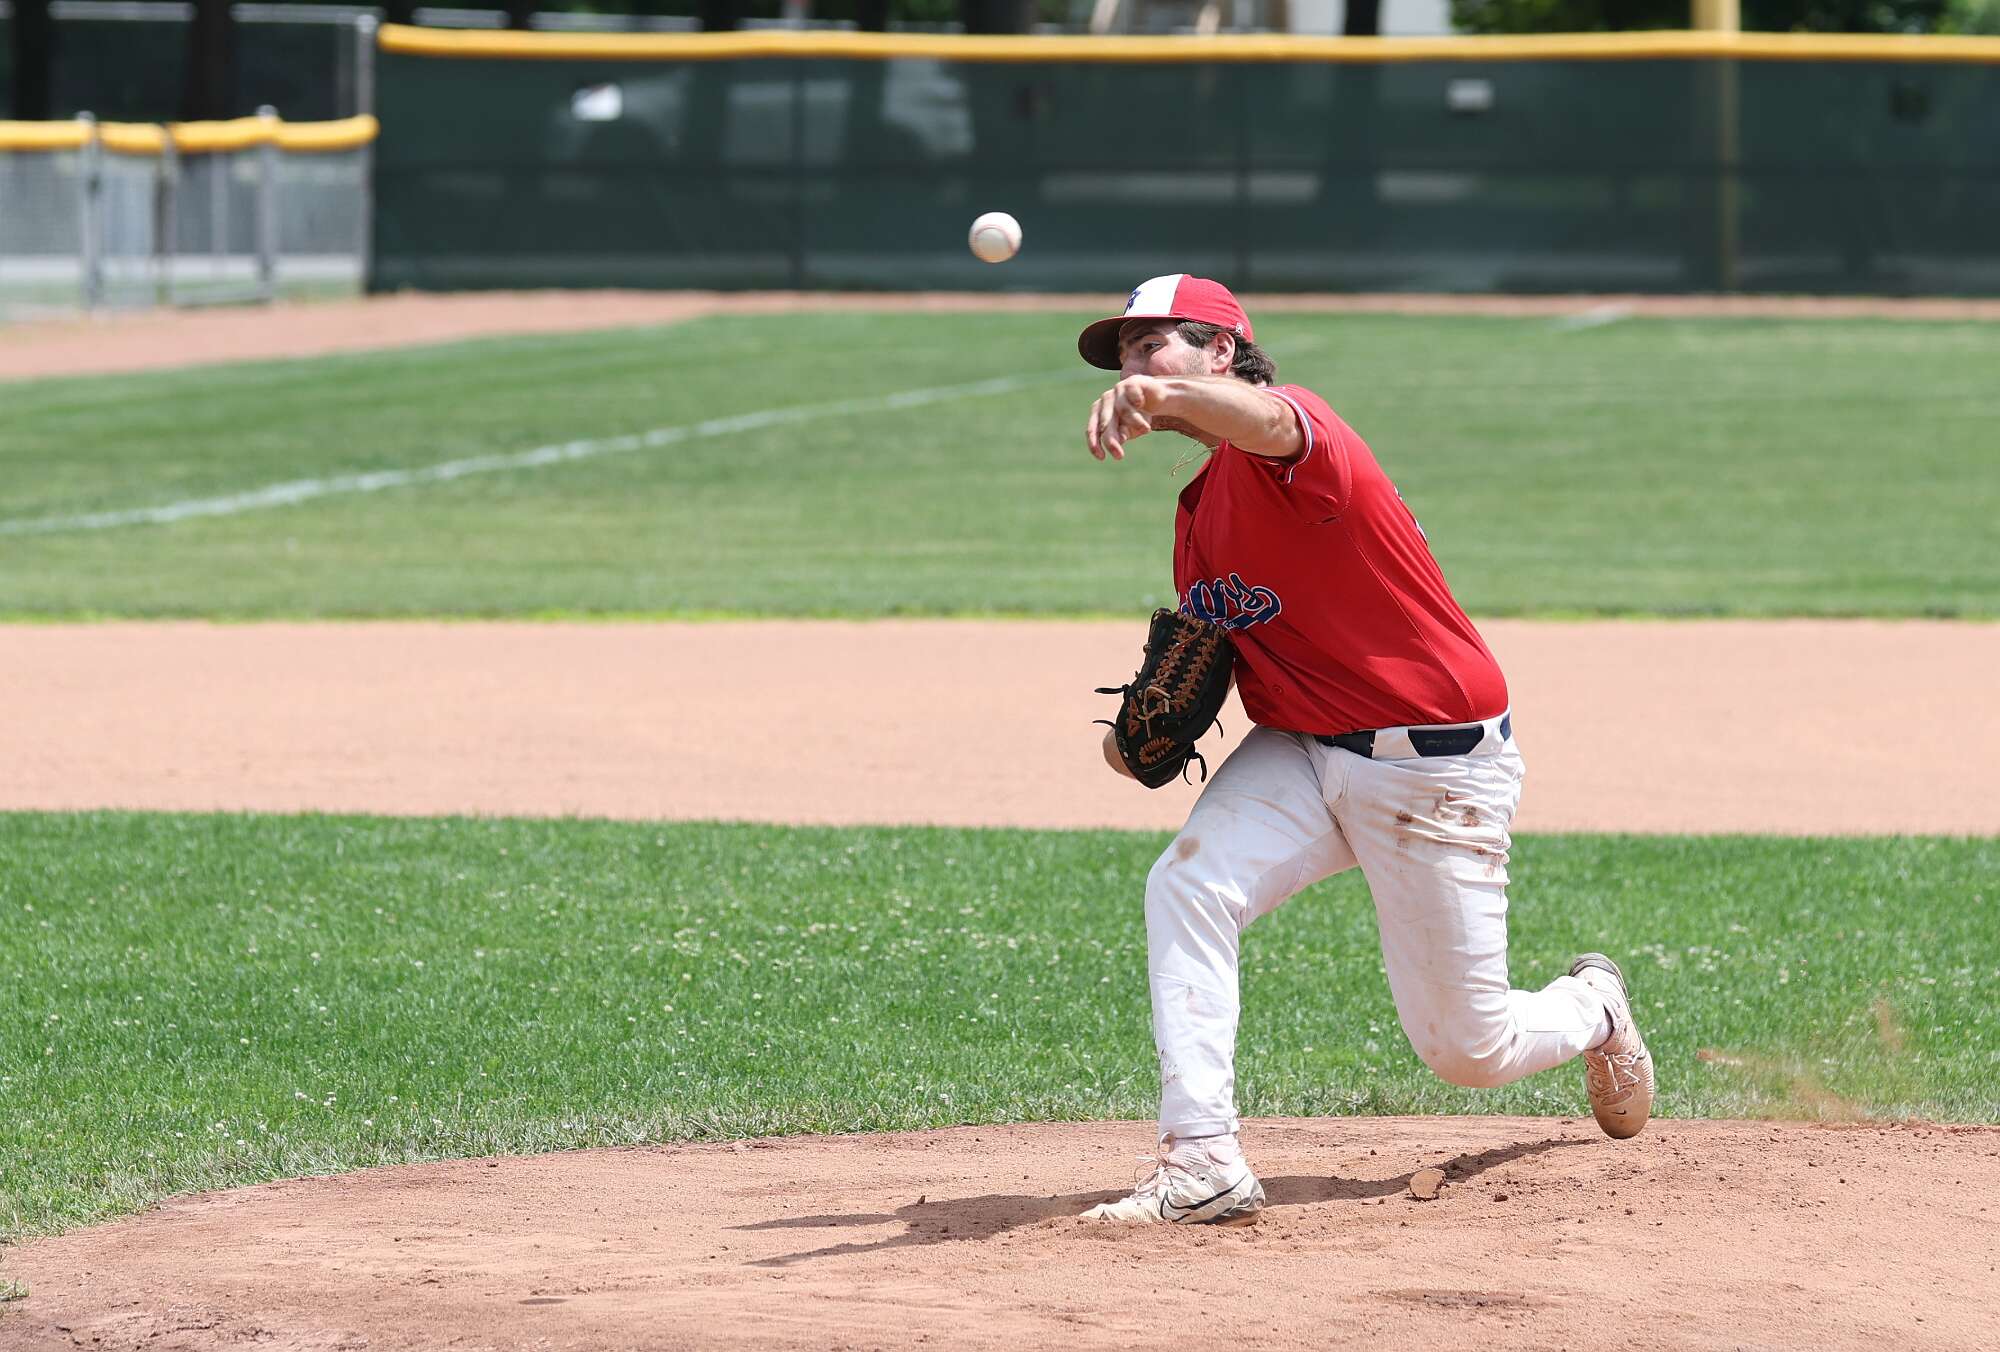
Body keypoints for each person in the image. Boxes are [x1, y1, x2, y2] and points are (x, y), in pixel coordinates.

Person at [1074, 275, 1655, 1226]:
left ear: (1222, 350)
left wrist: (1161, 393)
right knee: (1187, 884)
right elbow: (1205, 671)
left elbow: (1268, 420)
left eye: (1154, 345)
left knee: (1467, 1050)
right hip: (1302, 748)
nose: (1135, 367)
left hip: (1433, 764)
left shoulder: (1302, 438)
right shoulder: (1199, 508)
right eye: (1126, 355)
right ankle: (1203, 1161)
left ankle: (1593, 1007)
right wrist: (1128, 745)